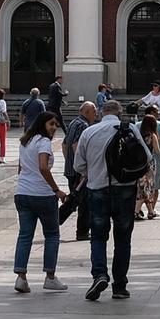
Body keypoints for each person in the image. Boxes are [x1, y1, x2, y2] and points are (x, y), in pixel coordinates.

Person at [74, 101, 137, 301]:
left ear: (101, 112)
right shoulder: (131, 129)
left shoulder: (90, 132)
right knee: (123, 238)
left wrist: (93, 172)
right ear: (120, 112)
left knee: (98, 236)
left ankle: (99, 274)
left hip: (98, 190)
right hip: (126, 190)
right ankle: (119, 285)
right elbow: (144, 157)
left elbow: (78, 165)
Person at [11, 110, 69, 294]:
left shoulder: (25, 141)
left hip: (22, 193)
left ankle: (21, 277)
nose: (54, 128)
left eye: (56, 125)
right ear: (42, 124)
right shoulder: (43, 142)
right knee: (52, 235)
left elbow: (21, 167)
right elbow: (43, 167)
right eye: (51, 124)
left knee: (25, 235)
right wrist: (56, 190)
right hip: (42, 195)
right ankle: (50, 277)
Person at [61, 101, 98, 240]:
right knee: (84, 202)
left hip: (70, 170)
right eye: (94, 112)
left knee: (75, 198)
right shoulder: (83, 125)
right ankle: (82, 232)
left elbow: (65, 145)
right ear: (87, 112)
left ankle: (58, 218)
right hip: (78, 172)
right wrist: (82, 168)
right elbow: (76, 145)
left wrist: (69, 162)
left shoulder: (73, 123)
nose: (96, 115)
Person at [134, 105, 160, 220]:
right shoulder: (153, 135)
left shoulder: (137, 130)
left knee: (141, 187)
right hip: (150, 164)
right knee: (150, 187)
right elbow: (157, 150)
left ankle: (149, 211)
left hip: (138, 163)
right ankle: (140, 210)